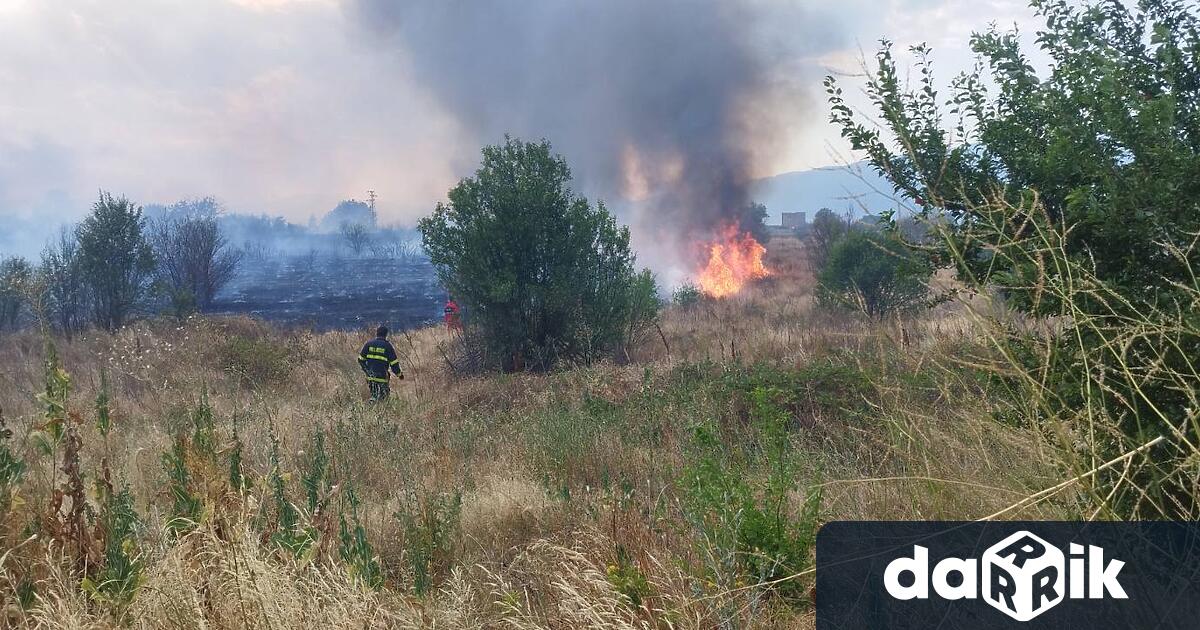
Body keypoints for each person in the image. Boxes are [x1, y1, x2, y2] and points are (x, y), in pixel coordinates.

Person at [358, 325, 403, 401]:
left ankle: (372, 409)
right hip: (382, 377)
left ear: (377, 333)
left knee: (374, 395)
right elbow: (394, 363)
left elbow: (360, 360)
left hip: (370, 377)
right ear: (386, 335)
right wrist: (399, 375)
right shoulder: (387, 346)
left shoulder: (368, 344)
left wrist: (367, 371)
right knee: (384, 398)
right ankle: (379, 410)